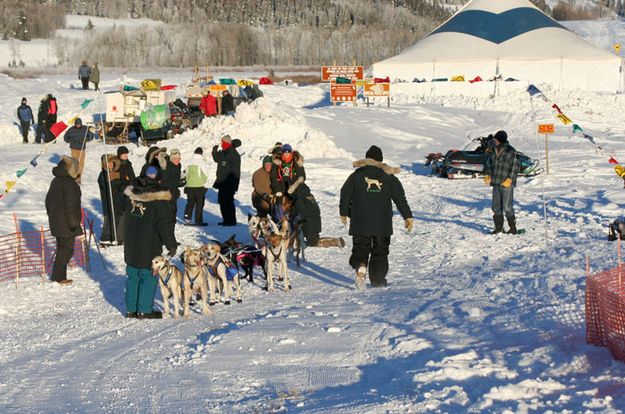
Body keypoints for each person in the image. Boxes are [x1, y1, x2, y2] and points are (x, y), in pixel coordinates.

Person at [339, 145, 413, 288]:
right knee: (380, 251)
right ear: (380, 159)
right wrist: (407, 216)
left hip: (361, 222)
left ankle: (361, 265)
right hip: (382, 224)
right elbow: (400, 198)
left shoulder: (357, 175)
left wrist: (344, 212)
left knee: (360, 248)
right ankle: (378, 281)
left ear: (367, 159)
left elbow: (345, 193)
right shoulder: (389, 176)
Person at [123, 165, 178, 319]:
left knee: (133, 275)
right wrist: (171, 244)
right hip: (149, 244)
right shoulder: (159, 200)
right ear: (159, 178)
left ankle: (131, 309)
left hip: (132, 242)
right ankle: (144, 310)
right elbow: (164, 225)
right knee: (148, 275)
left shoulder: (131, 195)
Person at [45, 156, 82, 285]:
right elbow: (71, 206)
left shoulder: (55, 181)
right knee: (66, 250)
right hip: (66, 224)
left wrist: (52, 216)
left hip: (57, 222)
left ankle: (59, 275)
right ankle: (59, 277)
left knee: (62, 249)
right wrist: (74, 224)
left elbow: (47, 201)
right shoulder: (69, 184)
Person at [483, 130, 521, 234]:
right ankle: (499, 228)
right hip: (496, 182)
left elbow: (515, 166)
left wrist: (510, 179)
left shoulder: (511, 151)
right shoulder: (493, 150)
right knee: (495, 207)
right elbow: (488, 163)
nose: (494, 141)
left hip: (506, 184)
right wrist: (488, 174)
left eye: (496, 139)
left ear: (500, 140)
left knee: (507, 207)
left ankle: (513, 228)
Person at [212, 135, 241, 226]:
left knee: (228, 202)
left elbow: (235, 171)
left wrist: (233, 184)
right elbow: (217, 158)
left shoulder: (233, 154)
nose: (221, 144)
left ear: (226, 143)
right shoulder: (224, 152)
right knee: (222, 201)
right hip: (222, 183)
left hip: (229, 183)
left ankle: (231, 220)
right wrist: (214, 150)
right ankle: (226, 219)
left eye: (222, 142)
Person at [98, 154, 123, 246]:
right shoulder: (103, 174)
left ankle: (118, 237)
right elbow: (106, 187)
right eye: (108, 163)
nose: (110, 165)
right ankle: (105, 238)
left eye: (111, 163)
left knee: (118, 219)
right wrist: (115, 182)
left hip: (118, 200)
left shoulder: (118, 172)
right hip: (108, 200)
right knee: (108, 220)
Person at [63, 118, 95, 184]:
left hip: (81, 149)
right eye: (77, 124)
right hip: (74, 149)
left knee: (81, 164)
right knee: (75, 163)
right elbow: (65, 138)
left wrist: (87, 139)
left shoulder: (85, 129)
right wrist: (70, 140)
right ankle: (74, 177)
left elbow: (91, 137)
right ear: (75, 124)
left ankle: (78, 178)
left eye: (79, 124)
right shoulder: (71, 129)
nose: (78, 125)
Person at [183, 147, 210, 225]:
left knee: (190, 203)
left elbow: (186, 173)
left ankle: (187, 218)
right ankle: (198, 220)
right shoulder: (202, 162)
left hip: (189, 186)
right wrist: (203, 182)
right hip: (199, 186)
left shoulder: (190, 161)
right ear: (201, 153)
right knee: (199, 204)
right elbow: (205, 174)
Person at [162, 148, 185, 228]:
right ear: (171, 158)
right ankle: (168, 237)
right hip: (167, 194)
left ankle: (170, 237)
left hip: (174, 193)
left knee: (173, 215)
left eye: (179, 158)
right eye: (175, 158)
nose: (177, 160)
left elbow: (175, 179)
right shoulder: (167, 167)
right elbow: (164, 181)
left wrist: (180, 183)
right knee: (169, 216)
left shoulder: (178, 166)